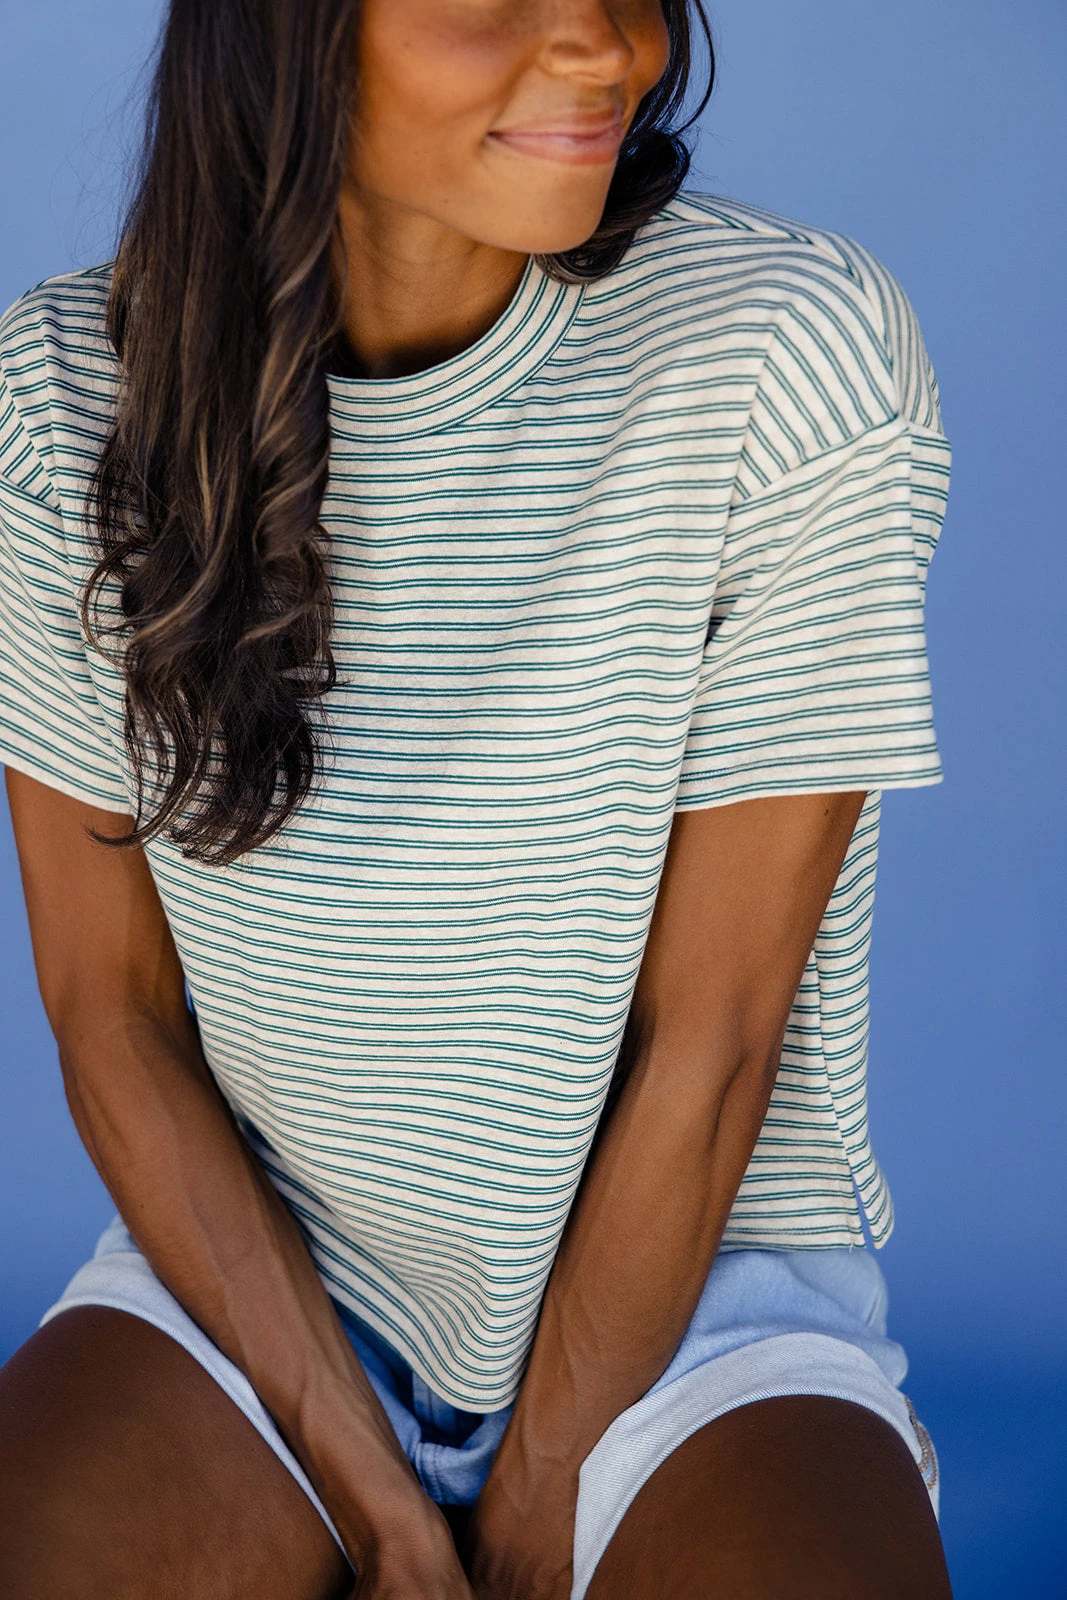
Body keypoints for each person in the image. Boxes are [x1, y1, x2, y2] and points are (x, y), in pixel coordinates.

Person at [0, 1, 956, 1595]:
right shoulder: (60, 392)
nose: (600, 48)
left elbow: (712, 1042)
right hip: (261, 1284)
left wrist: (535, 1508)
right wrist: (378, 1506)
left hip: (697, 1307)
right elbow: (114, 1012)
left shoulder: (785, 350)